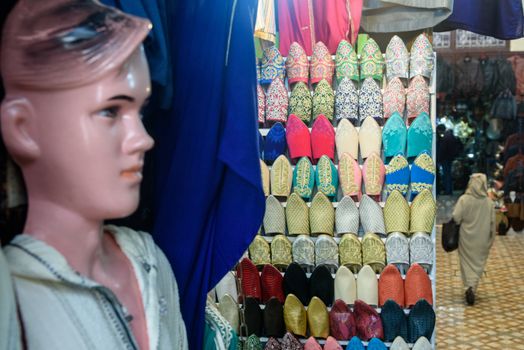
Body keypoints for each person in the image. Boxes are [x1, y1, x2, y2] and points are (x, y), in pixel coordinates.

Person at [0, 1, 187, 348]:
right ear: (23, 129)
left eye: (140, 110)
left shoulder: (150, 262)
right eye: (110, 111)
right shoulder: (13, 297)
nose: (143, 139)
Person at [452, 173, 496, 305]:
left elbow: (456, 217)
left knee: (466, 264)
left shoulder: (464, 200)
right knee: (478, 264)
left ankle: (468, 286)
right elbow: (493, 224)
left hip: (466, 239)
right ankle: (473, 286)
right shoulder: (489, 203)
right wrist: (490, 240)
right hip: (482, 240)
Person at [437, 125, 463, 195]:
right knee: (448, 175)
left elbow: (443, 149)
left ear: (440, 130)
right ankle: (449, 190)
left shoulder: (446, 137)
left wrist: (439, 158)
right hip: (449, 158)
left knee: (446, 175)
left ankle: (447, 191)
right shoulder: (450, 136)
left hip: (445, 159)